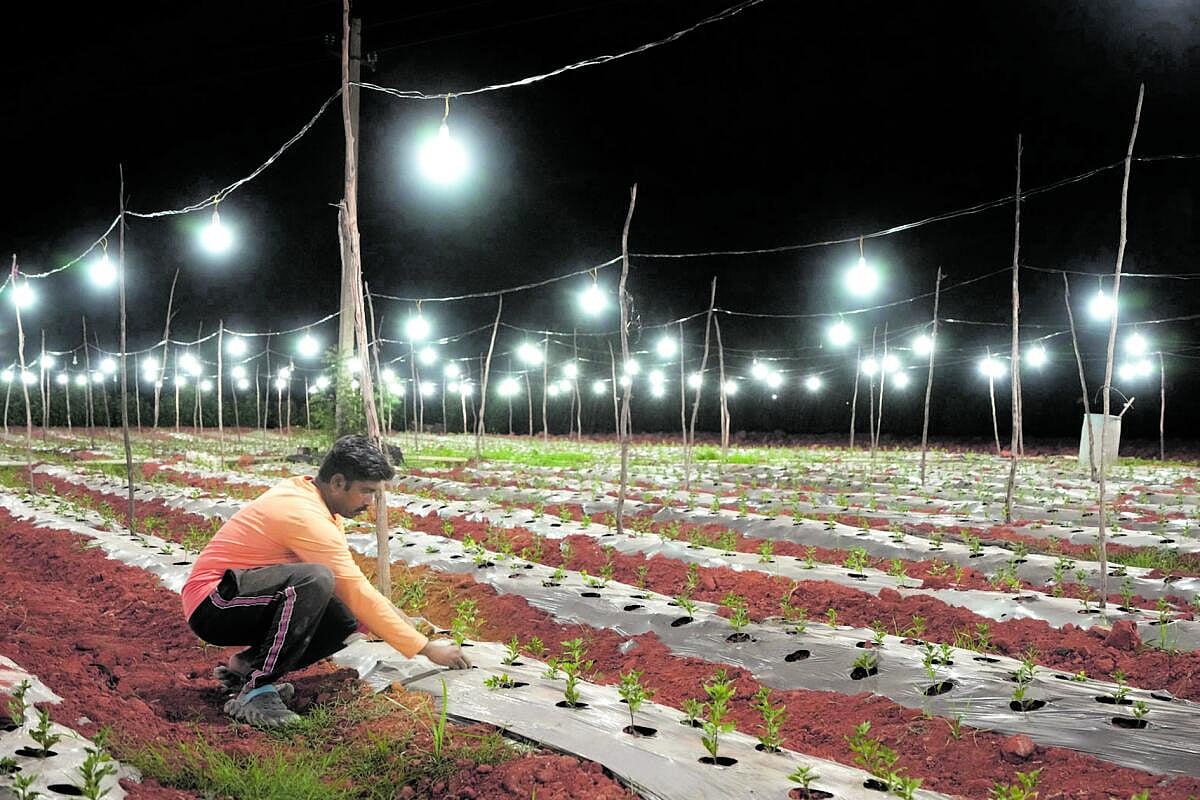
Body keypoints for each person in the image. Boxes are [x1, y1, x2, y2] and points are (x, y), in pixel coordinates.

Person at [181, 434, 469, 727]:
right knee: (316, 580)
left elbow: (352, 586)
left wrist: (406, 621)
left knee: (344, 619)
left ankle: (248, 666)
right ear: (338, 482)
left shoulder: (318, 502)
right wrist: (425, 648)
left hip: (244, 598)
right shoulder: (303, 513)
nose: (370, 502)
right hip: (212, 604)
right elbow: (353, 589)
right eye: (366, 491)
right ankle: (257, 690)